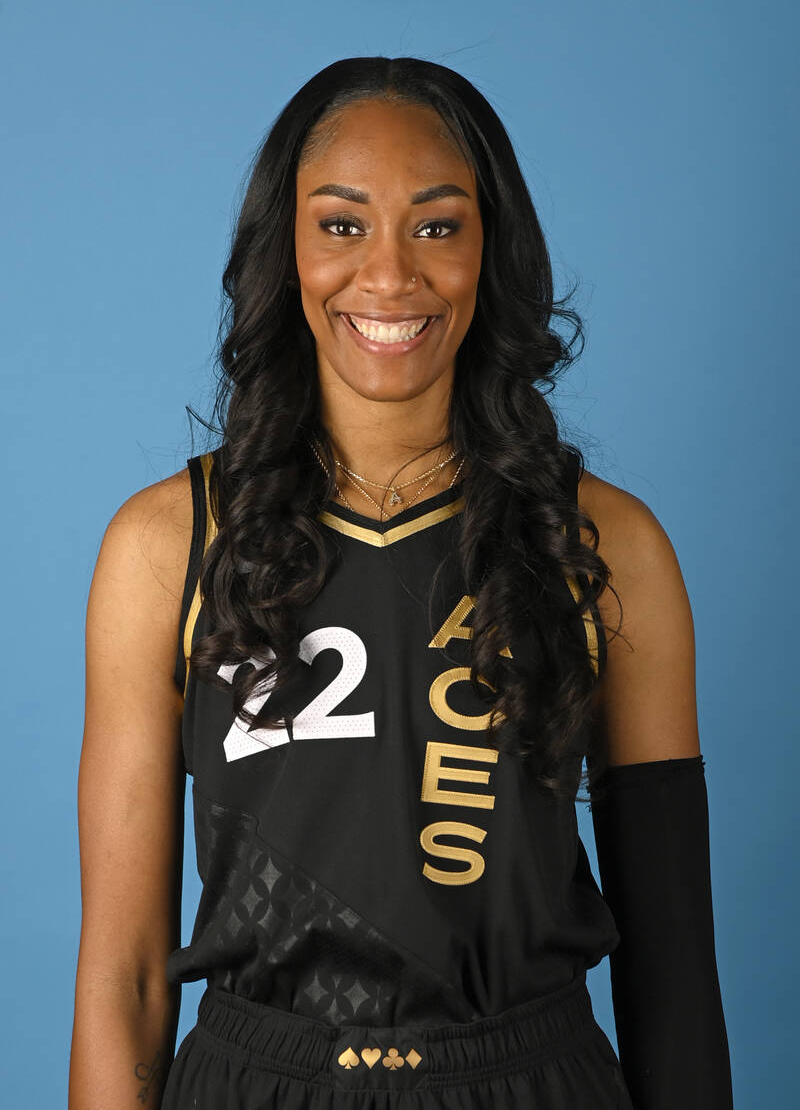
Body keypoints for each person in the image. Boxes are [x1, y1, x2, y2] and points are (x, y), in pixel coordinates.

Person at [70, 56, 733, 1109]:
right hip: (256, 1084)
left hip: (528, 1081)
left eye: (436, 225)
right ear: (285, 250)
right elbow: (126, 978)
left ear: (490, 249)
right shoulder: (168, 545)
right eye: (341, 225)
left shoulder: (607, 546)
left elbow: (674, 977)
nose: (388, 274)